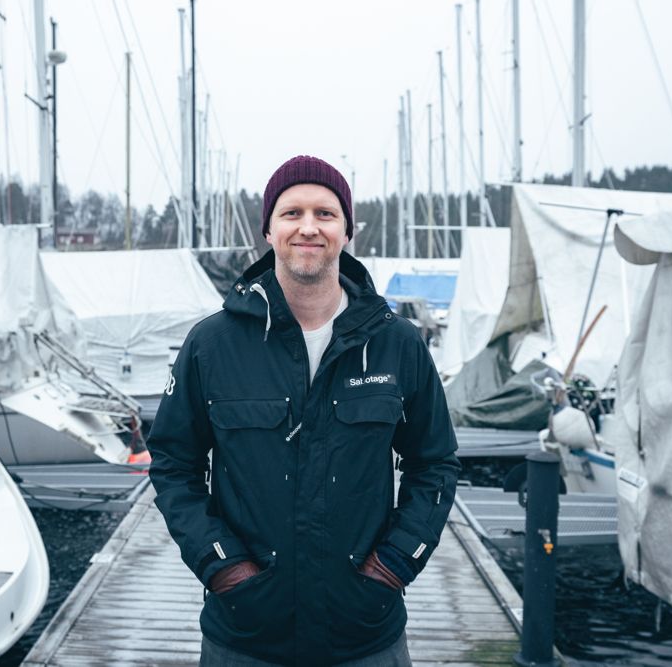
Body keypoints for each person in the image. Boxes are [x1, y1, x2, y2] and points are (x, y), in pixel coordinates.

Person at [148, 155, 460, 666]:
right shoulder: (212, 345)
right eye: (292, 213)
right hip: (246, 635)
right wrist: (222, 567)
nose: (309, 227)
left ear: (345, 230)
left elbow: (435, 463)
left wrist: (394, 565)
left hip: (364, 635)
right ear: (268, 230)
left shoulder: (397, 344)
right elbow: (173, 463)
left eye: (325, 213)